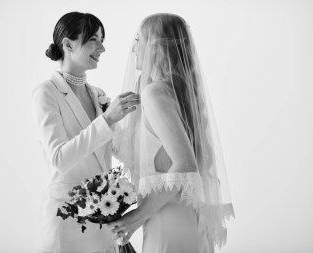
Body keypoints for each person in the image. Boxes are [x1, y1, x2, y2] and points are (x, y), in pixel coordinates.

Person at [110, 13, 234, 253]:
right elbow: (158, 160)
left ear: (155, 46)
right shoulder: (178, 92)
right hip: (181, 214)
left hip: (168, 218)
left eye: (138, 39)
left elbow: (185, 164)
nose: (133, 47)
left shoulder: (154, 93)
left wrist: (136, 218)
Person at [32, 12, 140, 253]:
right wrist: (107, 119)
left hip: (102, 219)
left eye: (102, 40)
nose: (101, 48)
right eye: (93, 39)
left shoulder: (96, 94)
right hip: (67, 218)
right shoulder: (46, 93)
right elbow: (59, 159)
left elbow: (117, 149)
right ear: (68, 44)